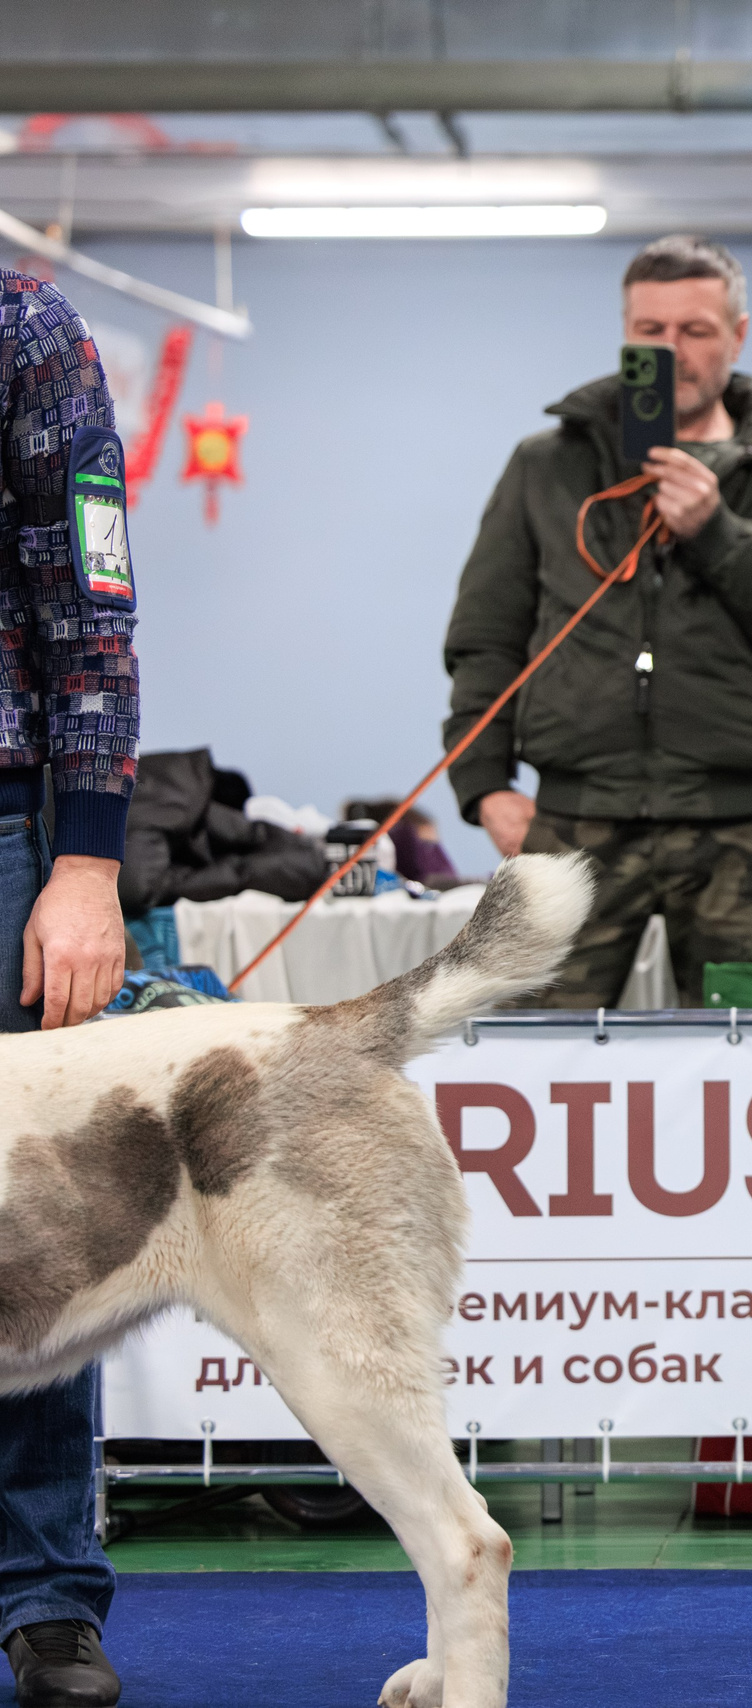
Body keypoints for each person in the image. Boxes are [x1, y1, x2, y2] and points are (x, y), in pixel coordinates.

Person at [442, 235, 752, 1006]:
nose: (671, 352)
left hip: (740, 823)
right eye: (651, 334)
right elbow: (487, 635)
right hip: (575, 819)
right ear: (627, 334)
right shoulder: (547, 465)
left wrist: (719, 531)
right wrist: (483, 786)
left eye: (695, 331)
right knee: (539, 1060)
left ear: (738, 336)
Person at [2, 266, 142, 1706]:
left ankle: (46, 1598)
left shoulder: (24, 329)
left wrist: (86, 862)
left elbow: (92, 600)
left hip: (4, 825)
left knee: (30, 1229)